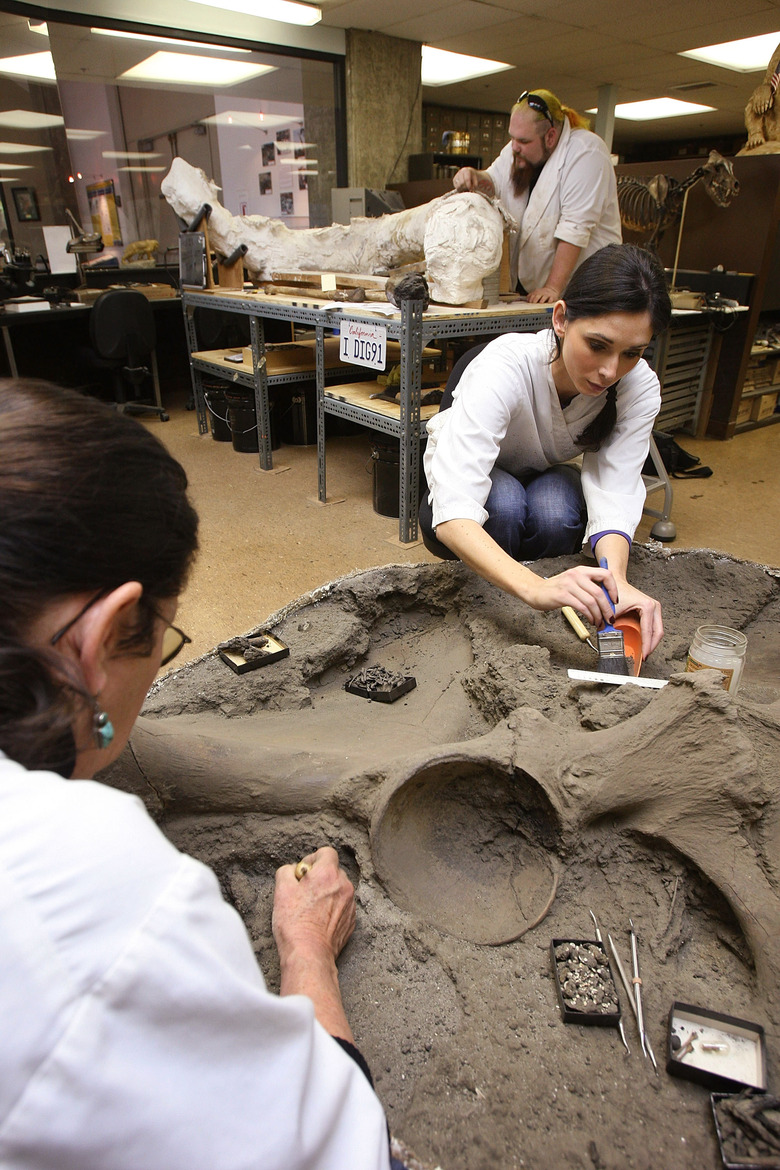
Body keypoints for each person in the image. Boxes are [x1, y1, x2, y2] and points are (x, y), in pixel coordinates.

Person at [0, 380, 393, 1170]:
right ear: (109, 630)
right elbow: (337, 1146)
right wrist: (308, 948)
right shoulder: (85, 880)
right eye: (163, 640)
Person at [419, 243, 672, 661]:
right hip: (472, 490)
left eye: (631, 352)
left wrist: (617, 582)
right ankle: (491, 604)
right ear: (560, 319)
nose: (611, 371)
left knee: (557, 512)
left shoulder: (637, 386)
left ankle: (536, 608)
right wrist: (537, 588)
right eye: (597, 345)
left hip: (540, 473)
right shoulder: (504, 366)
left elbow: (614, 490)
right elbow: (453, 510)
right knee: (504, 504)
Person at [453, 89, 622, 303]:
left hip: (584, 294)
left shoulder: (586, 152)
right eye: (512, 138)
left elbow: (575, 229)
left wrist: (553, 287)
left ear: (550, 136)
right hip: (532, 292)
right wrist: (473, 176)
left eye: (523, 141)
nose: (515, 147)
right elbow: (493, 181)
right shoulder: (516, 149)